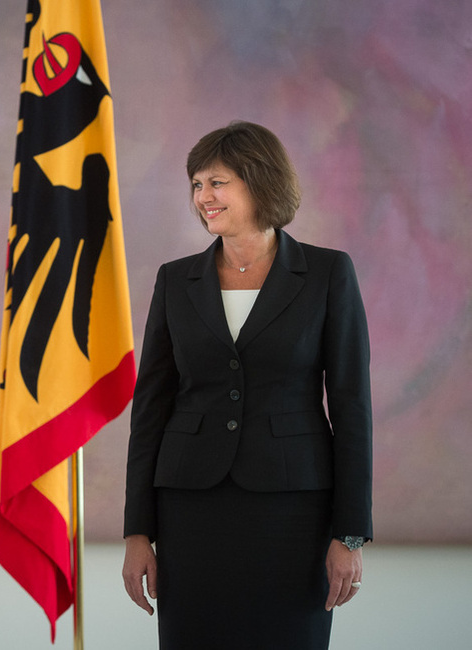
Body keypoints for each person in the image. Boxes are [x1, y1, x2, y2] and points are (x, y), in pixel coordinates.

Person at [122, 121, 372, 649]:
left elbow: (352, 408)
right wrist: (137, 531)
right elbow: (150, 408)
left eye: (217, 183)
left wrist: (348, 534)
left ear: (259, 181)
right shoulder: (175, 279)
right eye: (196, 185)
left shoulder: (328, 274)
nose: (203, 197)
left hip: (294, 514)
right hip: (191, 512)